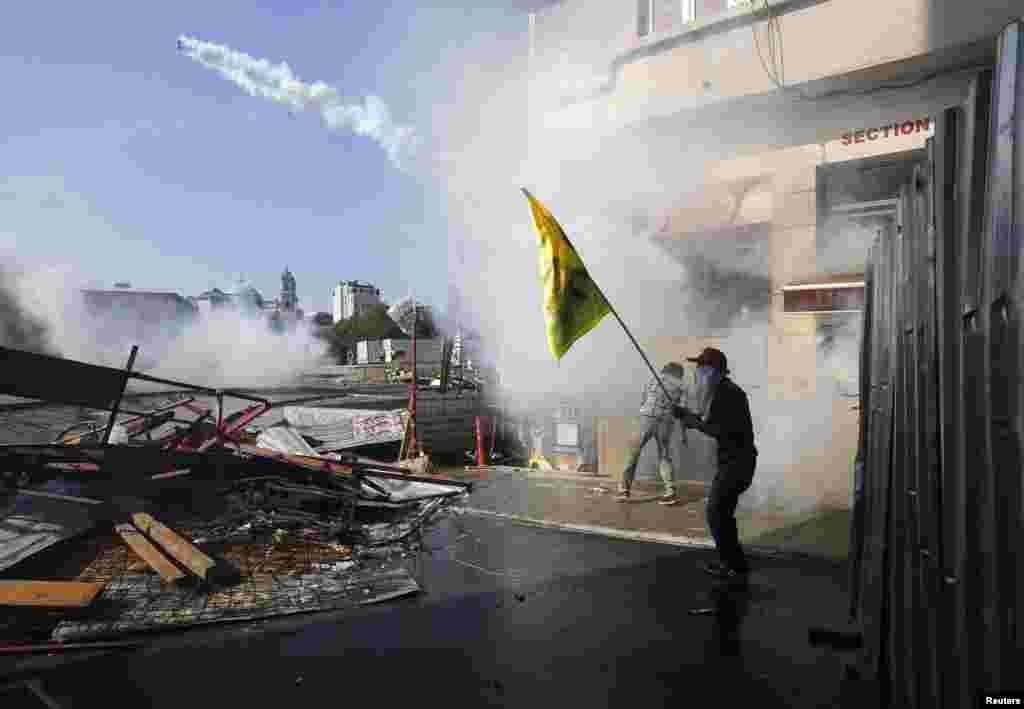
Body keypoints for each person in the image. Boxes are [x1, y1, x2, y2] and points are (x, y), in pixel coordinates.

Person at [673, 348, 757, 585]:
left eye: (702, 368)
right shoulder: (720, 391)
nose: (698, 372)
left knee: (716, 512)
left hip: (737, 463)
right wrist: (686, 415)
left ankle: (732, 565)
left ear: (714, 371)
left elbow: (717, 429)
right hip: (734, 462)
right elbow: (709, 422)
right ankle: (733, 563)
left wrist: (691, 422)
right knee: (723, 514)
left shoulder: (727, 393)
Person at [616, 362, 686, 505]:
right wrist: (683, 432)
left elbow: (643, 401)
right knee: (664, 455)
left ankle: (624, 489)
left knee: (633, 452)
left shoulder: (654, 379)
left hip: (647, 417)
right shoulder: (682, 386)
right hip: (666, 421)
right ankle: (670, 491)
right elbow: (682, 412)